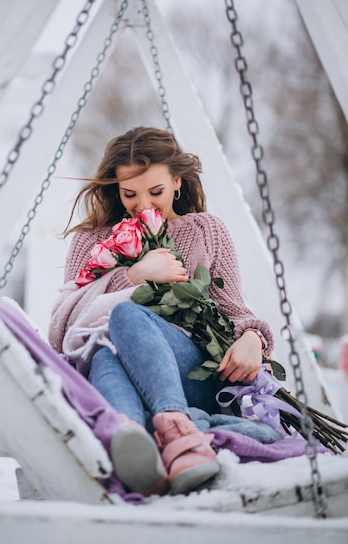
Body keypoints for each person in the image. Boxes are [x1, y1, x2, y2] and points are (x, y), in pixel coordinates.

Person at [48, 126, 274, 497]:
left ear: (177, 182)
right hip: (113, 373)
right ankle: (136, 452)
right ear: (115, 189)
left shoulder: (206, 230)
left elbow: (235, 310)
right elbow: (65, 326)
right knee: (104, 350)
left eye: (156, 191)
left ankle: (176, 426)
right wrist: (133, 276)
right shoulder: (92, 240)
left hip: (190, 374)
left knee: (126, 317)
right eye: (129, 194)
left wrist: (253, 338)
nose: (144, 205)